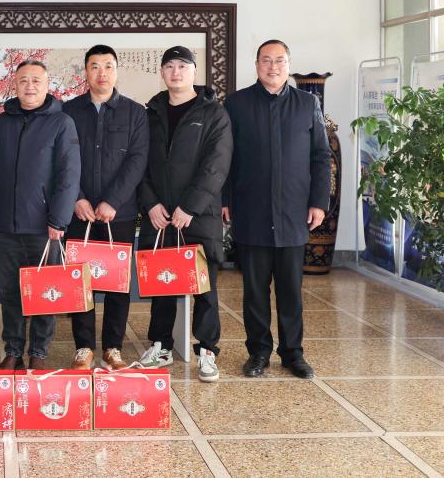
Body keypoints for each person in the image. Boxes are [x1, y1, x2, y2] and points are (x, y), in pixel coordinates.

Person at [222, 39, 331, 379]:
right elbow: (224, 156)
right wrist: (224, 200)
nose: (273, 66)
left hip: (294, 211)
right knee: (255, 291)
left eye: (279, 60)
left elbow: (321, 156)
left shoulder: (307, 104)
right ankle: (258, 353)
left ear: (289, 65)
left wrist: (319, 202)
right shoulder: (237, 103)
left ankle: (293, 354)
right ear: (257, 65)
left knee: (290, 291)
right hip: (250, 209)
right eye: (266, 60)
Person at [136, 46, 233, 382]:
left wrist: (190, 206)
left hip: (198, 215)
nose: (175, 72)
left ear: (194, 71)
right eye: (169, 66)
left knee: (204, 285)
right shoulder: (150, 113)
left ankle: (207, 350)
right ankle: (161, 345)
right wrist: (150, 204)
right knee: (161, 282)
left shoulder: (214, 113)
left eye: (182, 66)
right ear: (162, 73)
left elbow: (217, 164)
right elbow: (139, 164)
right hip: (159, 216)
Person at [62, 45, 148, 371]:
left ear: (116, 70)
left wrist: (113, 200)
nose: (102, 73)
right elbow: (62, 160)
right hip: (79, 211)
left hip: (119, 213)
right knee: (79, 280)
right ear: (85, 71)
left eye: (108, 66)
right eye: (95, 66)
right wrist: (77, 197)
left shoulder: (135, 113)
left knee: (117, 284)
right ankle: (83, 347)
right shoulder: (69, 111)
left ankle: (113, 347)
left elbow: (137, 160)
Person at [0, 60, 81, 370]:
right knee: (9, 291)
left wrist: (59, 219)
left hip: (45, 226)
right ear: (14, 85)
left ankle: (39, 353)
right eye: (23, 81)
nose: (29, 86)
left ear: (47, 86)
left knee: (46, 291)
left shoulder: (62, 123)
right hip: (7, 224)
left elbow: (69, 174)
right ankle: (13, 350)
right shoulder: (2, 122)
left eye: (36, 81)